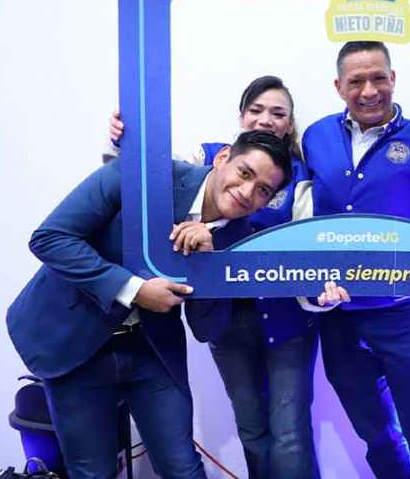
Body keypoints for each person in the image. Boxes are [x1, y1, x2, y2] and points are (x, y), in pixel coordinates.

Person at [6, 131, 292, 479]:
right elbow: (51, 238)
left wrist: (208, 265)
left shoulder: (240, 237)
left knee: (183, 469)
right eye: (244, 173)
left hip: (151, 347)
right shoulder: (144, 174)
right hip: (73, 338)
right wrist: (133, 289)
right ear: (222, 158)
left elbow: (206, 329)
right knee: (93, 472)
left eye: (263, 190)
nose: (247, 192)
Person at [110, 76, 320, 479]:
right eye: (256, 110)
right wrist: (126, 136)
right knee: (252, 429)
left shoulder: (299, 177)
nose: (266, 119)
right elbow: (150, 170)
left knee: (290, 434)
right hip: (227, 322)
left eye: (278, 113)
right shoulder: (209, 157)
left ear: (290, 124)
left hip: (288, 320)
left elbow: (305, 251)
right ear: (241, 117)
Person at [301, 41, 410, 478]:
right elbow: (293, 203)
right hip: (338, 317)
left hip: (405, 316)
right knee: (376, 436)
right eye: (356, 81)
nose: (369, 91)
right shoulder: (315, 137)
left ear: (393, 79)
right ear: (338, 86)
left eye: (378, 78)